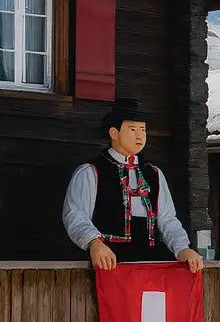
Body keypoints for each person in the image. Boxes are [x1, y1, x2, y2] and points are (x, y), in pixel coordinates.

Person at [63, 99, 204, 273]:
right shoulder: (91, 172)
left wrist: (183, 248)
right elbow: (75, 215)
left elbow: (167, 219)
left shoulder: (154, 174)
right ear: (114, 133)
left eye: (143, 130)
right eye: (132, 129)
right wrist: (94, 243)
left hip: (149, 266)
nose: (139, 136)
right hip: (107, 265)